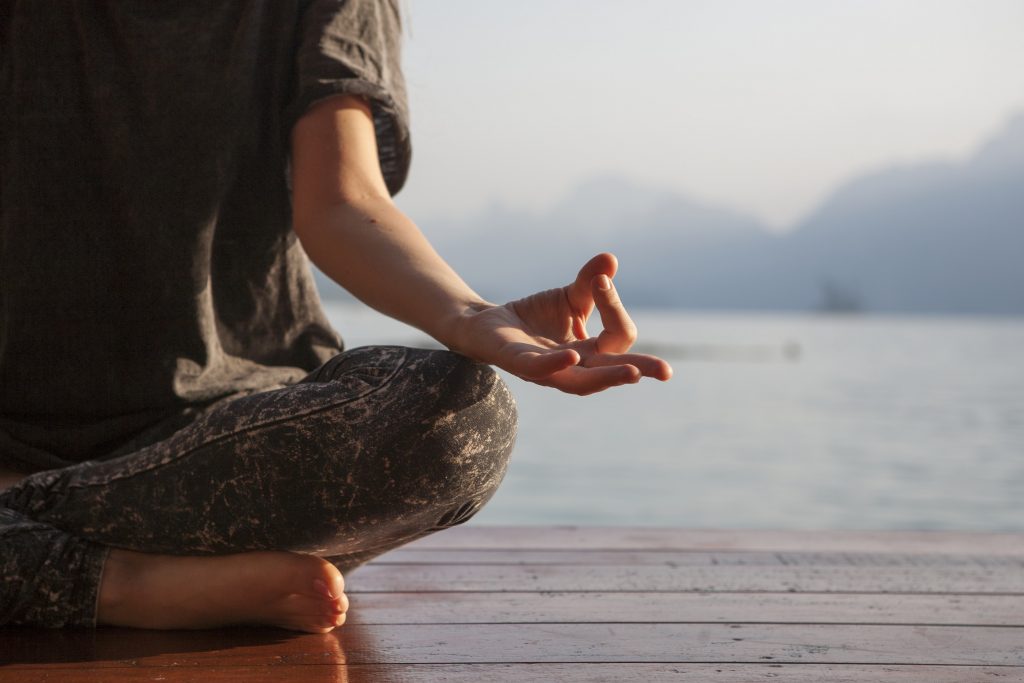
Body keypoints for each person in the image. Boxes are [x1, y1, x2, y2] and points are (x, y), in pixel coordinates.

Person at [0, 1, 671, 632]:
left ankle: (32, 550)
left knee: (465, 417)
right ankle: (129, 584)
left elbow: (343, 202)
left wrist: (469, 316)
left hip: (225, 448)